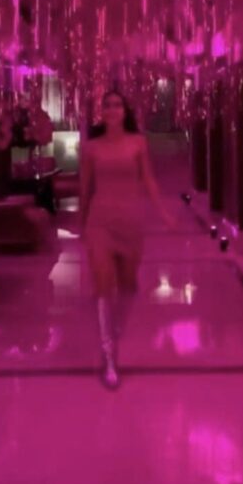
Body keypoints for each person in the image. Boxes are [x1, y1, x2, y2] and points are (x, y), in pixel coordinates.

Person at [79, 90, 175, 389]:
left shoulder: (138, 143)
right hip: (100, 221)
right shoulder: (91, 147)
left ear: (125, 111)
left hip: (131, 221)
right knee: (103, 284)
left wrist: (164, 213)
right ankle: (109, 355)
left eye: (117, 104)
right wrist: (80, 223)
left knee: (128, 285)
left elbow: (149, 180)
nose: (112, 109)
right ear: (102, 111)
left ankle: (115, 327)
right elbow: (85, 187)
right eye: (107, 105)